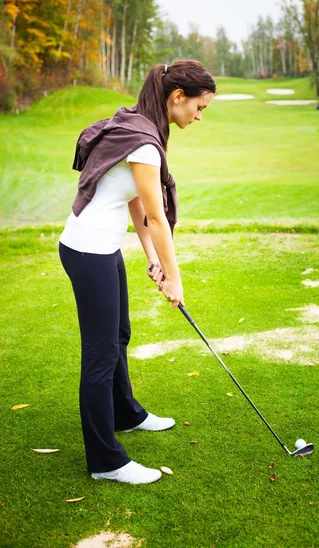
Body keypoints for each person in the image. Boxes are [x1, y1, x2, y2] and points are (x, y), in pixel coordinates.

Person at [59, 60, 216, 485]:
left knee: (119, 334)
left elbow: (135, 203)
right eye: (199, 108)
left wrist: (149, 255)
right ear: (177, 97)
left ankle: (126, 413)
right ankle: (105, 460)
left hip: (101, 247)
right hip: (87, 251)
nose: (199, 118)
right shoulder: (145, 143)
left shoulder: (141, 126)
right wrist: (173, 277)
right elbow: (158, 216)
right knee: (100, 353)